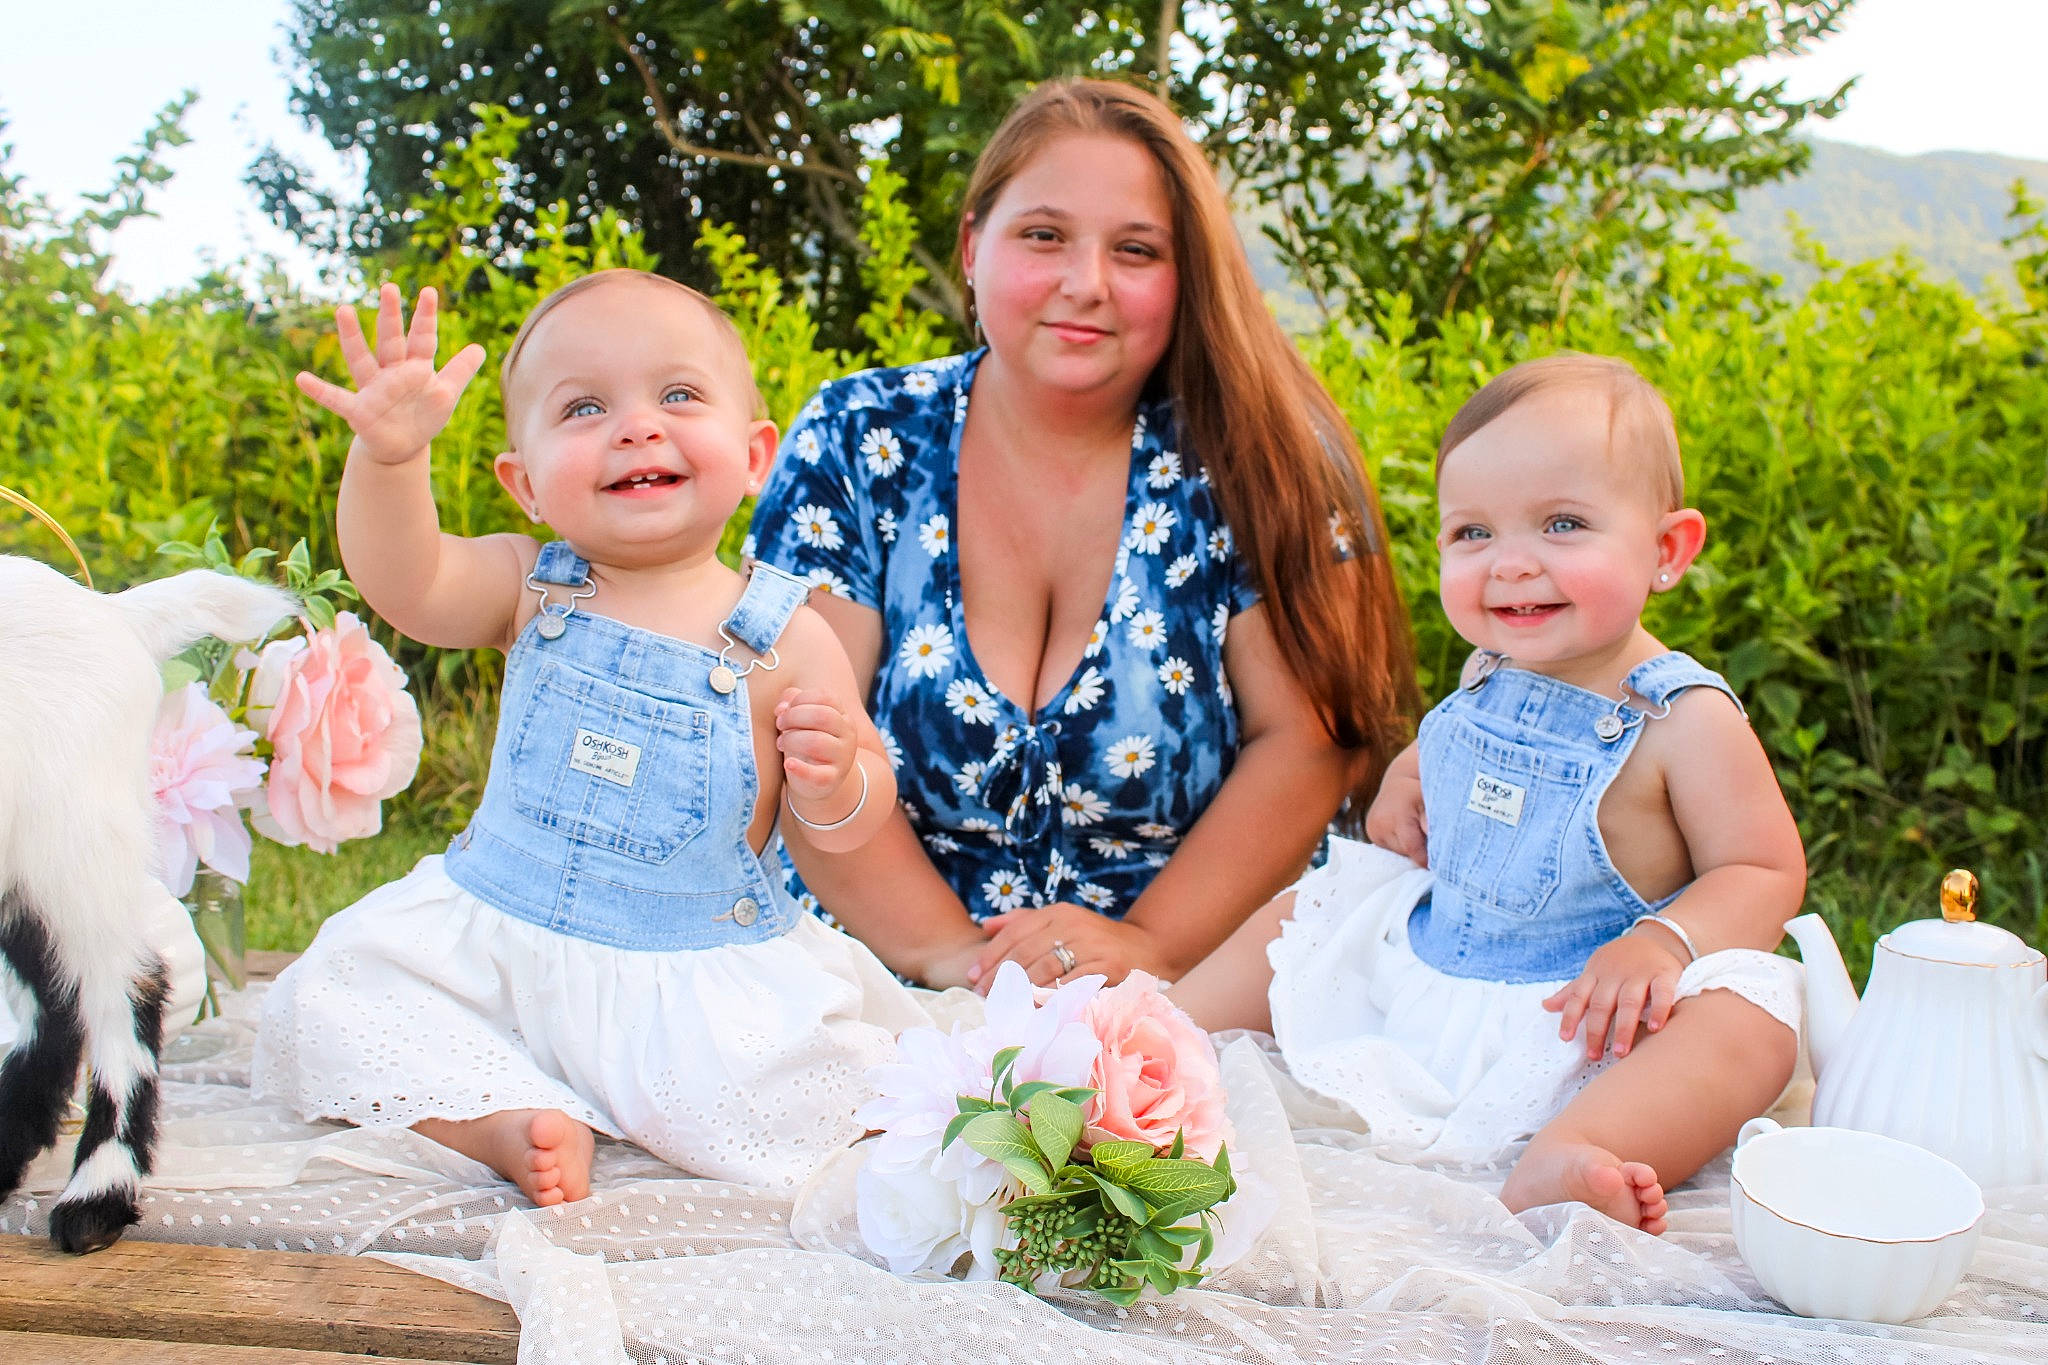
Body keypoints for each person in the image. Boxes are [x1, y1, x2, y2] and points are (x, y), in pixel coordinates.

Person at [253, 272, 926, 1205]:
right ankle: (495, 1116)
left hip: (685, 985)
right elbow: (404, 582)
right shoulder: (529, 586)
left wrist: (834, 780)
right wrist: (392, 461)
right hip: (498, 951)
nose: (638, 426)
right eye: (584, 408)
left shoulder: (785, 634)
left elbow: (856, 824)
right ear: (524, 483)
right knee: (328, 996)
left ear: (756, 452)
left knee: (812, 1103)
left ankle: (589, 1095)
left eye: (679, 395)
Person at [747, 78, 1417, 992]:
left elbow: (1313, 742)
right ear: (975, 245)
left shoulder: (1267, 460)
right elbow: (795, 734)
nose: (1086, 284)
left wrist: (1147, 947)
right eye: (1044, 236)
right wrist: (958, 963)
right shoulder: (858, 437)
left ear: (1188, 281)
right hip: (868, 973)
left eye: (1137, 250)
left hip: (1192, 984)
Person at [1173, 353, 1805, 1235]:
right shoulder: (1490, 666)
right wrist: (1407, 782)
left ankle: (1579, 1149)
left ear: (1667, 549)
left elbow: (1764, 867)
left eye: (1562, 524)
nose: (1510, 565)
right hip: (1437, 968)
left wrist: (1663, 943)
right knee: (1308, 910)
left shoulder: (1683, 719)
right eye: (1472, 533)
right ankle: (1158, 1034)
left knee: (1755, 1017)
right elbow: (1458, 743)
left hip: (1590, 1022)